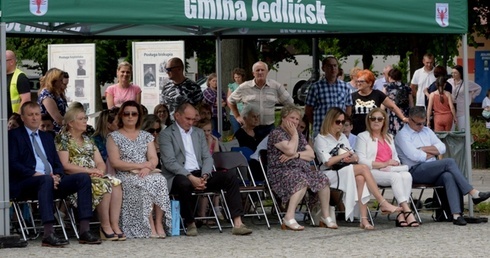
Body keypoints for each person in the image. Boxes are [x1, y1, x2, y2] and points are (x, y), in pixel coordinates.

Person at [9, 101, 101, 247]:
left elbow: (57, 163)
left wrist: (57, 175)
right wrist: (36, 174)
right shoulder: (13, 136)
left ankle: (85, 230)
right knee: (45, 180)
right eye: (30, 115)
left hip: (52, 180)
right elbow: (13, 164)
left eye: (37, 114)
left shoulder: (47, 137)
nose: (34, 118)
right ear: (22, 117)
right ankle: (48, 233)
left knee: (83, 178)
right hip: (26, 182)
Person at [160, 103, 252, 236]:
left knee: (230, 176)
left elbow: (207, 158)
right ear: (177, 116)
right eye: (188, 119)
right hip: (178, 175)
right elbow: (169, 162)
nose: (191, 122)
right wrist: (190, 177)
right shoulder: (166, 134)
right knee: (183, 183)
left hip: (199, 173)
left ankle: (238, 223)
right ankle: (190, 223)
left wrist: (205, 175)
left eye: (193, 119)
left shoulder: (198, 133)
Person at [395, 106, 490, 226]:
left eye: (423, 123)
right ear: (409, 120)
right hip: (415, 171)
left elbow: (442, 148)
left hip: (432, 169)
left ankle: (456, 215)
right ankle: (473, 193)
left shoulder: (427, 131)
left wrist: (422, 149)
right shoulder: (403, 135)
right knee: (449, 162)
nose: (421, 127)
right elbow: (415, 156)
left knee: (448, 176)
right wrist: (431, 151)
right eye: (418, 124)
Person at [314, 107, 401, 230]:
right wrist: (344, 155)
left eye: (343, 122)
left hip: (345, 169)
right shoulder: (321, 138)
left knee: (360, 178)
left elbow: (354, 155)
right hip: (329, 173)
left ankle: (364, 220)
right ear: (329, 121)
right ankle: (382, 202)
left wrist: (352, 157)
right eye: (337, 122)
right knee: (364, 168)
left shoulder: (343, 137)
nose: (340, 125)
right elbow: (327, 162)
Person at [55, 105, 125, 241]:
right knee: (103, 185)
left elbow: (99, 161)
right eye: (81, 119)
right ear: (71, 123)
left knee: (116, 184)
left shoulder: (88, 139)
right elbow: (65, 165)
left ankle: (114, 225)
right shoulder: (62, 139)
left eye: (85, 118)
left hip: (93, 175)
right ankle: (104, 227)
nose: (85, 121)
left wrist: (99, 171)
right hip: (75, 179)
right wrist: (89, 171)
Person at [106, 101, 171, 238]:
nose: (130, 117)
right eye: (126, 113)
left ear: (138, 116)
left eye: (134, 114)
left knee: (160, 180)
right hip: (125, 174)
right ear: (121, 116)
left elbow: (154, 158)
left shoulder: (146, 136)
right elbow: (115, 162)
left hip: (146, 171)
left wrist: (147, 168)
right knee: (143, 183)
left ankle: (158, 223)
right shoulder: (113, 137)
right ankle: (149, 226)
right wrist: (140, 166)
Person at [267, 105, 337, 231]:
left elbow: (311, 155)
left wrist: (296, 155)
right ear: (283, 118)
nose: (295, 121)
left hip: (301, 171)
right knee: (301, 180)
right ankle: (289, 217)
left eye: (297, 119)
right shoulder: (277, 133)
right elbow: (289, 149)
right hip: (281, 172)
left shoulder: (299, 134)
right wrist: (294, 135)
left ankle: (325, 216)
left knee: (322, 178)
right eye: (292, 118)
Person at [354, 108, 419, 227]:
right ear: (368, 121)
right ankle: (406, 210)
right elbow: (361, 160)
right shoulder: (363, 137)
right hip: (372, 171)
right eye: (373, 118)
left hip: (389, 170)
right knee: (396, 177)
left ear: (384, 121)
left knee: (406, 175)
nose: (376, 121)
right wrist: (384, 164)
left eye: (380, 119)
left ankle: (400, 215)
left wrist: (395, 163)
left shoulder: (389, 137)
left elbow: (395, 158)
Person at [228, 61, 293, 140]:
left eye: (262, 70)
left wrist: (285, 120)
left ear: (267, 72)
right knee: (249, 151)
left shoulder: (275, 86)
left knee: (269, 151)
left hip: (269, 129)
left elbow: (290, 103)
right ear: (253, 73)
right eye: (257, 70)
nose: (260, 72)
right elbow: (231, 100)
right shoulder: (244, 87)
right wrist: (237, 116)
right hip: (250, 129)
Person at [305, 56, 352, 137]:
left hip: (339, 130)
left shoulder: (345, 87)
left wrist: (343, 123)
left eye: (335, 65)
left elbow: (348, 109)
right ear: (323, 68)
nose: (333, 68)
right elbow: (308, 110)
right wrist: (316, 123)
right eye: (329, 66)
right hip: (321, 130)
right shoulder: (315, 87)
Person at [351, 69, 408, 135]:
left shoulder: (377, 94)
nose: (358, 83)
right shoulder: (353, 96)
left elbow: (393, 107)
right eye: (357, 81)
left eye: (361, 81)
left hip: (373, 131)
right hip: (356, 132)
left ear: (369, 83)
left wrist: (403, 118)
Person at [449, 65, 482, 131]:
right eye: (452, 73)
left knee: (462, 130)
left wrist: (472, 96)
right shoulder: (449, 81)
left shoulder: (467, 83)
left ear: (460, 73)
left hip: (462, 110)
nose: (453, 74)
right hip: (451, 109)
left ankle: (464, 141)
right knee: (450, 130)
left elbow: (479, 88)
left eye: (455, 73)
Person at [383, 68, 413, 135]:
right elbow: (411, 103)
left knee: (391, 134)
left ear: (390, 77)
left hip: (392, 113)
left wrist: (381, 113)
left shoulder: (387, 87)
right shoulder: (406, 87)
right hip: (405, 113)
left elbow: (383, 101)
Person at [37, 68, 68, 132]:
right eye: (60, 80)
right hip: (50, 131)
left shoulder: (56, 93)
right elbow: (58, 119)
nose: (61, 83)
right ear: (53, 81)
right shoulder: (46, 95)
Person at [6, 50, 31, 119]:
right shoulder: (2, 76)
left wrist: (16, 118)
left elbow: (26, 99)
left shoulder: (20, 77)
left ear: (11, 62)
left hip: (14, 120)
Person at [227, 68, 246, 133]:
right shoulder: (232, 86)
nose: (237, 79)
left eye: (239, 77)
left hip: (245, 112)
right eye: (235, 77)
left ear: (242, 77)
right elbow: (229, 100)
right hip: (234, 113)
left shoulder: (246, 85)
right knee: (237, 132)